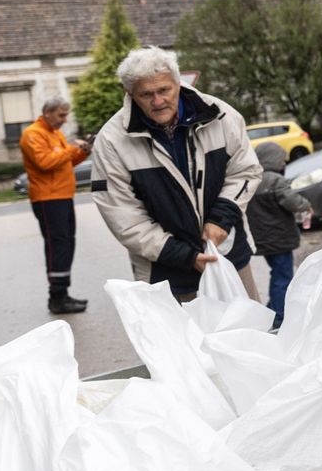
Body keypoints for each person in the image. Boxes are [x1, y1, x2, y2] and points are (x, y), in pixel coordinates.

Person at [92, 46, 263, 303]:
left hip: (228, 258)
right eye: (146, 94)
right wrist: (184, 256)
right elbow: (123, 216)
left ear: (178, 82)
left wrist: (221, 218)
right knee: (183, 343)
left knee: (248, 336)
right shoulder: (112, 141)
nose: (158, 101)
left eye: (164, 90)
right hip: (166, 274)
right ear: (130, 94)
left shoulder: (221, 115)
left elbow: (246, 171)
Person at [19, 95, 91, 314]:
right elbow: (45, 162)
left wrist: (83, 151)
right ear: (47, 112)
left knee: (66, 245)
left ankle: (62, 294)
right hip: (47, 198)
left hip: (62, 196)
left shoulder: (54, 133)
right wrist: (70, 149)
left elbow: (64, 162)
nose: (65, 119)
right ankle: (57, 298)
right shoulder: (32, 134)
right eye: (61, 115)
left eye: (66, 114)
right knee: (57, 247)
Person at [248, 142, 312, 329]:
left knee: (277, 274)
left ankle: (272, 310)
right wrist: (306, 205)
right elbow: (292, 201)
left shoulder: (253, 179)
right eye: (282, 160)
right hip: (280, 239)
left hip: (262, 239)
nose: (284, 163)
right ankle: (278, 317)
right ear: (273, 159)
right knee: (282, 277)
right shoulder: (276, 180)